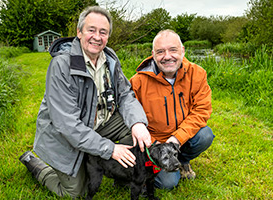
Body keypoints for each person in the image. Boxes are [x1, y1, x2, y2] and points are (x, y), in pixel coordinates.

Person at [19, 6, 151, 198]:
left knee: (137, 137)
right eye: (91, 30)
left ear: (108, 37)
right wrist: (110, 149)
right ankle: (34, 162)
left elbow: (125, 94)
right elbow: (67, 124)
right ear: (79, 32)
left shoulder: (110, 59)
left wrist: (138, 122)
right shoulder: (62, 65)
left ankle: (122, 176)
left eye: (103, 32)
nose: (97, 37)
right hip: (65, 134)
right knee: (75, 192)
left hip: (102, 123)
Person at [129, 29, 215, 189]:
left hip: (182, 137)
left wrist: (177, 139)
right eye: (160, 52)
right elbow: (128, 113)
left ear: (182, 50)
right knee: (167, 183)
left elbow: (201, 110)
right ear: (153, 54)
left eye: (173, 50)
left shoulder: (198, 74)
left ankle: (181, 160)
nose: (167, 56)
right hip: (154, 142)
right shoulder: (138, 81)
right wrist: (156, 146)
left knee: (205, 135)